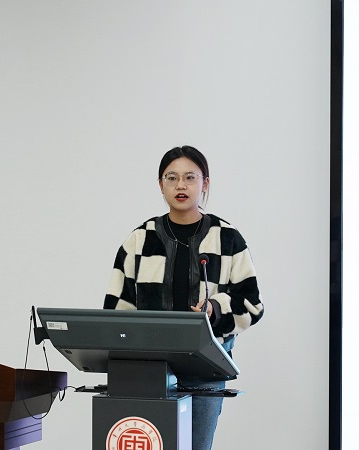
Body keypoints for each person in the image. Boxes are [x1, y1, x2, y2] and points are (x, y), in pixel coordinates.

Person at [103, 145, 265, 450]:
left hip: (205, 369)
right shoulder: (140, 239)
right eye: (172, 177)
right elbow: (116, 310)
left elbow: (252, 305)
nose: (181, 185)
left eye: (190, 177)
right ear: (160, 184)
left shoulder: (227, 238)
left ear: (205, 183)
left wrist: (215, 308)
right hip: (148, 371)